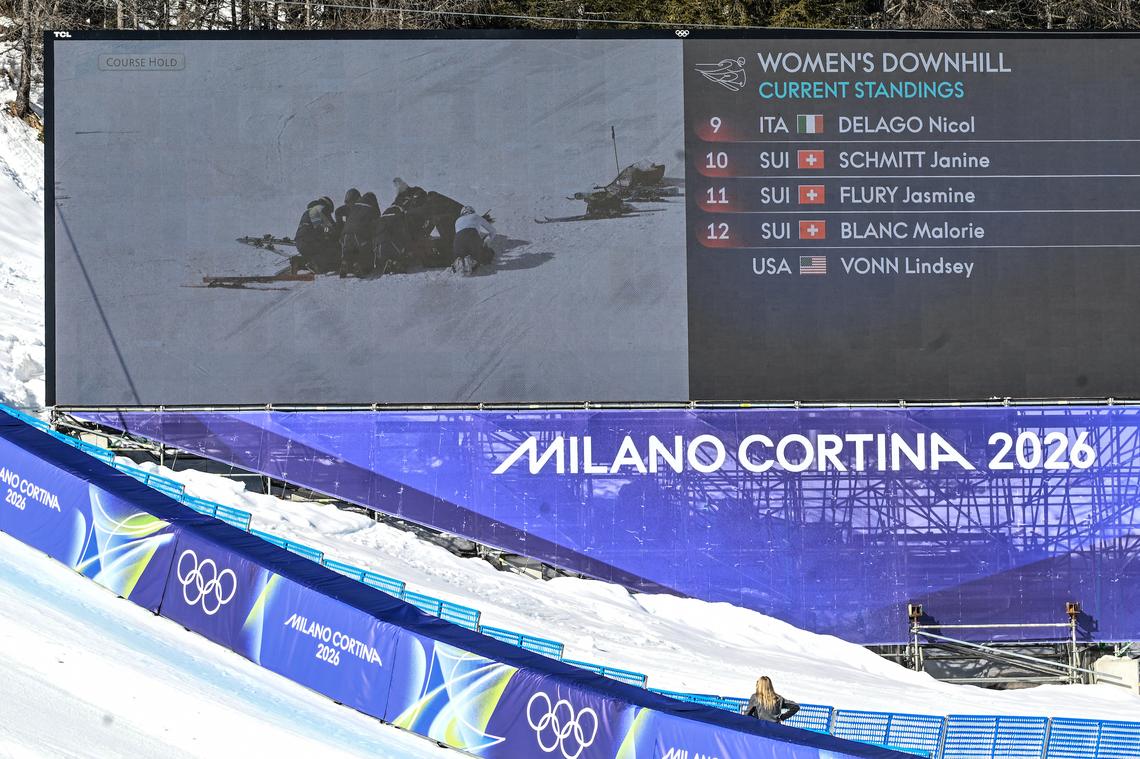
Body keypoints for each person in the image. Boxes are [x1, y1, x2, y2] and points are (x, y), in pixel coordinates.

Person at [339, 191, 381, 277]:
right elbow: (377, 223)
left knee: (350, 250)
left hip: (345, 234)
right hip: (359, 234)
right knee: (366, 250)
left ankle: (345, 263)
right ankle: (361, 265)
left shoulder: (354, 206)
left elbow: (339, 211)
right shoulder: (372, 208)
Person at [292, 196, 338, 273]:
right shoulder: (322, 209)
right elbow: (331, 227)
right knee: (332, 251)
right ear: (328, 205)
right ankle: (315, 264)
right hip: (310, 241)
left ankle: (299, 262)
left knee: (316, 253)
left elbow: (316, 227)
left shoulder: (308, 211)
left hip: (300, 242)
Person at [452, 205, 496, 274]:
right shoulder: (476, 216)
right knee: (487, 255)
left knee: (462, 251)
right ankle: (473, 260)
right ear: (472, 211)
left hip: (458, 241)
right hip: (472, 236)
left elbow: (461, 236)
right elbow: (493, 231)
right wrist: (486, 241)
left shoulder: (457, 221)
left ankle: (459, 261)